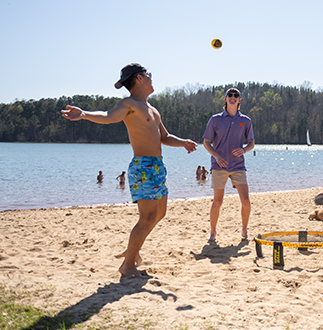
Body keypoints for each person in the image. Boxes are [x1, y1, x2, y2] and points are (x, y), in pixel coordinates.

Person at [61, 63, 197, 277]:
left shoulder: (152, 110)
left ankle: (131, 252)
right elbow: (108, 116)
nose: (152, 77)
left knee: (160, 213)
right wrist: (84, 114)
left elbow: (164, 137)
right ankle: (128, 265)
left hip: (158, 166)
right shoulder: (129, 104)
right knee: (147, 218)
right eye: (148, 74)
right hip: (143, 167)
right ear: (140, 78)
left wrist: (184, 142)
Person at [203, 88, 255, 241]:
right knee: (218, 201)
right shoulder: (215, 119)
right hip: (219, 165)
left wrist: (244, 150)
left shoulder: (246, 121)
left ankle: (245, 231)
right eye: (230, 95)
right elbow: (206, 142)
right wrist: (216, 156)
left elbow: (251, 143)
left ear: (239, 100)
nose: (233, 97)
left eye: (236, 96)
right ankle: (212, 232)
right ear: (225, 99)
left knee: (245, 201)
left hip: (238, 166)